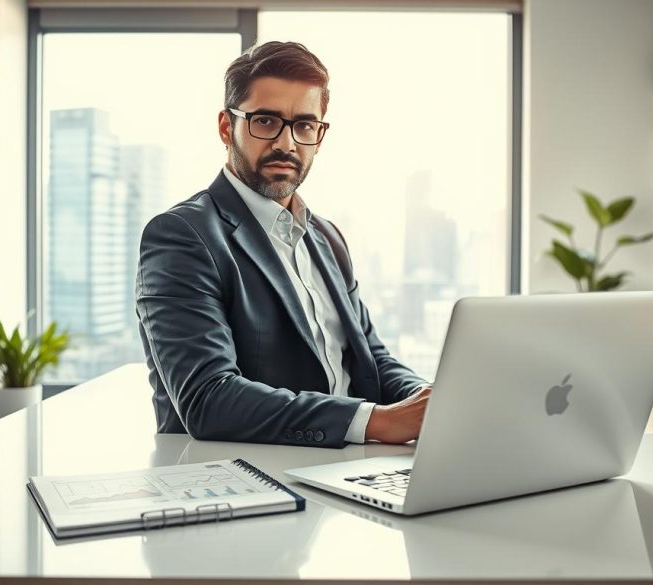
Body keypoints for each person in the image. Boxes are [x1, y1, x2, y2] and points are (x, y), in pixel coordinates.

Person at [136, 41, 432, 448]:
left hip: (343, 470)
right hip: (244, 479)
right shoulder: (182, 235)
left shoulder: (327, 237)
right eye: (265, 121)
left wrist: (433, 402)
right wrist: (375, 422)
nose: (287, 143)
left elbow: (371, 361)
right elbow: (207, 398)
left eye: (305, 125)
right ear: (227, 127)